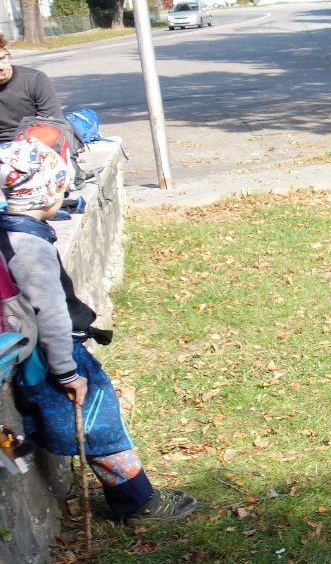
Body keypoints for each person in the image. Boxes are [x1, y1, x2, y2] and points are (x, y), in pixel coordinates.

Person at [0, 138, 197, 523]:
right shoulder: (30, 248)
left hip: (40, 353)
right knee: (98, 423)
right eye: (62, 186)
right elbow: (51, 315)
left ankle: (129, 494)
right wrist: (67, 372)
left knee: (89, 423)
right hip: (53, 356)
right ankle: (138, 502)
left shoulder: (11, 230)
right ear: (48, 192)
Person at [0, 37, 66, 137]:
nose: (1, 66)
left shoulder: (35, 79)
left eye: (2, 58)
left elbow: (53, 121)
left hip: (35, 139)